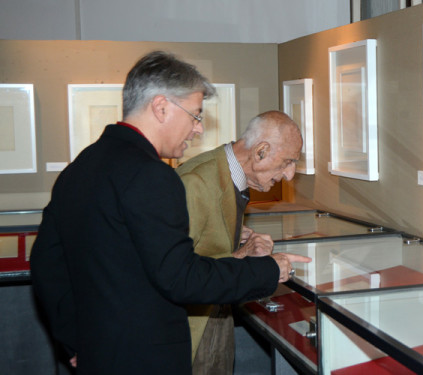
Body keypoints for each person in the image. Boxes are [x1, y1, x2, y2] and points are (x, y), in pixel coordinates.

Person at [29, 50, 310, 375]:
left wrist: (75, 339)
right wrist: (266, 270)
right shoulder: (152, 176)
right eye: (195, 115)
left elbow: (47, 263)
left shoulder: (81, 166)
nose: (198, 130)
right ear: (161, 107)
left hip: (100, 353)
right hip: (147, 358)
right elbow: (181, 277)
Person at [176, 110, 302, 374]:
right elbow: (178, 275)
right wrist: (244, 257)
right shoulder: (196, 182)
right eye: (288, 161)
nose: (290, 174)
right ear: (261, 152)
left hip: (217, 316)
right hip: (193, 331)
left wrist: (235, 238)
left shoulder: (228, 175)